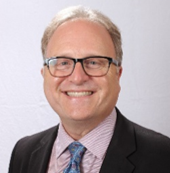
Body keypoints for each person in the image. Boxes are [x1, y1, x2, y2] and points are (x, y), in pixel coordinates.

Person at [8, 6, 170, 173]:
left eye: (94, 62)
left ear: (117, 74)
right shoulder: (24, 153)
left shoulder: (163, 157)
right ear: (45, 75)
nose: (78, 78)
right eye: (63, 63)